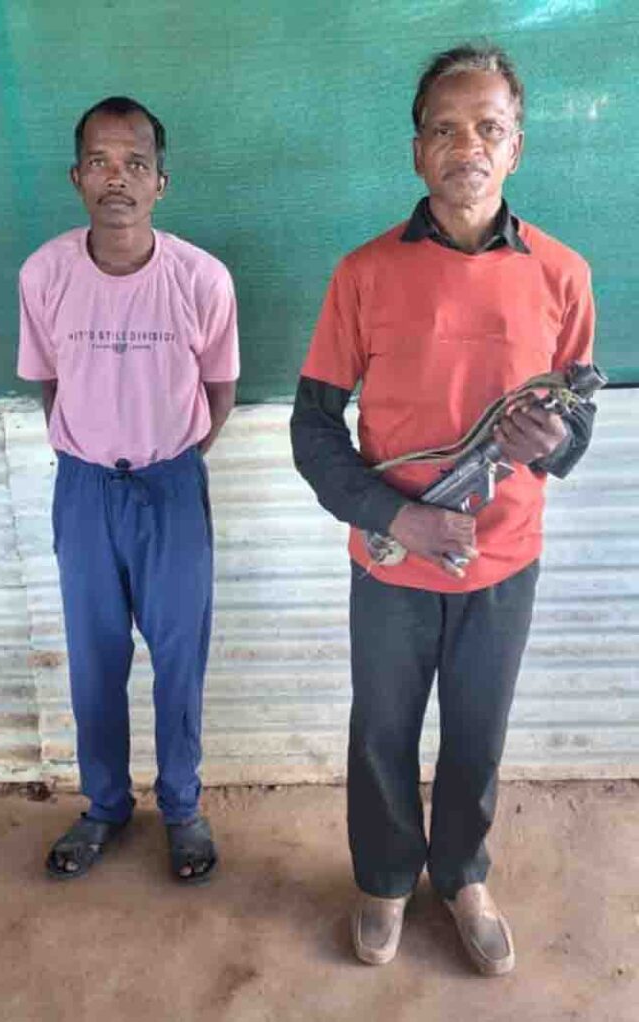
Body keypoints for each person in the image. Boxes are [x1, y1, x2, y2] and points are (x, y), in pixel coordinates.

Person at [290, 44, 596, 973]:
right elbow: (312, 429)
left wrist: (555, 442)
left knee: (477, 730)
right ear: (417, 150)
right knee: (382, 729)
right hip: (391, 558)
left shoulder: (563, 274)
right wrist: (396, 519)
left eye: (488, 128)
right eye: (445, 129)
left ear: (516, 147)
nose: (468, 146)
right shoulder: (362, 273)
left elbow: (577, 421)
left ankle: (462, 874)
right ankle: (385, 878)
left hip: (504, 560)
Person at [17, 96, 239, 884]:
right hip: (83, 491)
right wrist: (93, 450)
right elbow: (48, 382)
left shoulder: (201, 278)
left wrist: (168, 459)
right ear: (76, 177)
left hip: (169, 490)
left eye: (135, 164)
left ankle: (182, 808)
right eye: (100, 162)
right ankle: (105, 805)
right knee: (94, 659)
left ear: (159, 183)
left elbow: (219, 389)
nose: (118, 178)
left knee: (179, 659)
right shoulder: (44, 274)